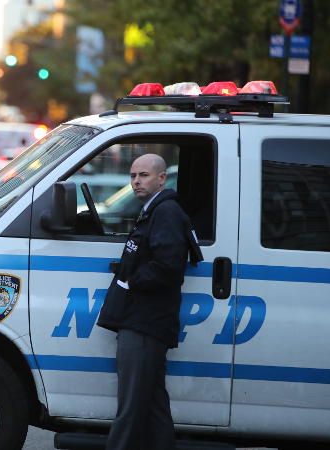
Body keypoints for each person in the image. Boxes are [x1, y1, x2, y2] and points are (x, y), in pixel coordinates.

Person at [96, 153, 202, 450]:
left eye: (143, 175)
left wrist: (132, 281)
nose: (136, 181)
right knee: (154, 406)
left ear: (161, 178)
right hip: (144, 320)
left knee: (130, 409)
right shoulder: (154, 210)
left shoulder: (165, 212)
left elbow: (168, 265)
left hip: (144, 322)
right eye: (133, 176)